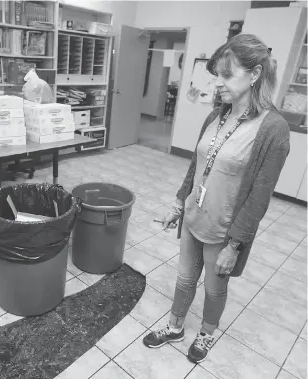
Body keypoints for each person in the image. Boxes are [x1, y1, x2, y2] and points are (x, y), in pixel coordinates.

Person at [142, 34, 290, 364]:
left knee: (213, 288)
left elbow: (259, 196)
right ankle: (175, 326)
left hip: (223, 230)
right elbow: (197, 167)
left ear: (254, 75)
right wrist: (178, 205)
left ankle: (207, 332)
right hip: (195, 216)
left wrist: (235, 245)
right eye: (217, 75)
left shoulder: (272, 129)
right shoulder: (217, 115)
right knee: (183, 278)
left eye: (226, 74)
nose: (218, 82)